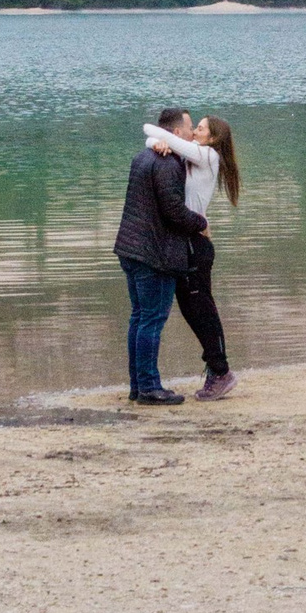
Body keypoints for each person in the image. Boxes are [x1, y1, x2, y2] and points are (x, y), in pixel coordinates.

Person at [112, 103, 210, 405]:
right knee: (152, 319)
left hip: (130, 247)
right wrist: (201, 222)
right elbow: (174, 212)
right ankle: (150, 387)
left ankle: (137, 384)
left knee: (140, 318)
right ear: (177, 131)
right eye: (189, 127)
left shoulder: (144, 156)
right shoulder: (168, 163)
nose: (193, 134)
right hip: (154, 253)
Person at [156, 113, 239, 399]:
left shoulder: (208, 156)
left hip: (196, 244)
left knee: (202, 310)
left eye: (199, 129)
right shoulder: (194, 157)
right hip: (188, 242)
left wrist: (159, 138)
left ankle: (221, 370)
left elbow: (153, 131)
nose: (193, 133)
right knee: (193, 310)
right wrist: (158, 143)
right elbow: (159, 138)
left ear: (212, 138)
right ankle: (218, 369)